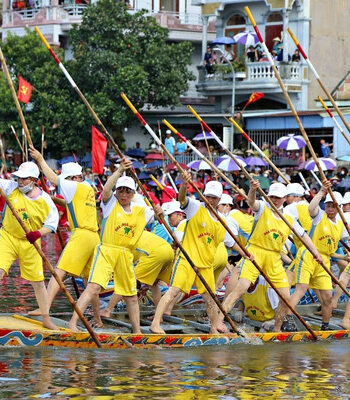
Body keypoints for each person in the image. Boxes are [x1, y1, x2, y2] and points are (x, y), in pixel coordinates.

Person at [216, 181, 322, 333]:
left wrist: (316, 253)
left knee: (285, 296)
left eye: (278, 197)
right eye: (272, 196)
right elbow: (251, 202)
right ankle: (220, 320)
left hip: (274, 258)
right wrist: (252, 190)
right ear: (268, 196)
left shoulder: (289, 217)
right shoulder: (262, 208)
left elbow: (304, 236)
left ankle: (277, 328)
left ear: (285, 198)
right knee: (242, 287)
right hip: (255, 253)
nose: (275, 200)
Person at [68, 161, 156, 333]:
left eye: (127, 191)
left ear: (133, 194)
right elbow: (107, 189)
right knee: (93, 287)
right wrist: (120, 171)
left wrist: (159, 211)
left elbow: (159, 213)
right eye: (121, 190)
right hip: (107, 251)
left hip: (126, 255)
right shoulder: (109, 204)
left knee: (131, 296)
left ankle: (137, 331)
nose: (123, 194)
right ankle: (73, 322)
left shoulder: (141, 211)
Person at [150, 175, 243, 334]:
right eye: (207, 196)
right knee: (173, 291)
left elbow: (231, 243)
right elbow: (181, 199)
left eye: (214, 198)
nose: (210, 200)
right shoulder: (195, 207)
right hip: (187, 259)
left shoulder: (222, 222)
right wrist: (185, 184)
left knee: (211, 299)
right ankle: (155, 324)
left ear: (219, 199)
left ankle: (213, 329)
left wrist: (246, 254)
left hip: (206, 264)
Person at [28, 147, 100, 317]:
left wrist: (40, 160)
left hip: (81, 235)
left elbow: (53, 178)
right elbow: (68, 204)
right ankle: (98, 319)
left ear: (72, 178)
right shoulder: (87, 188)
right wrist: (47, 197)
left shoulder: (74, 185)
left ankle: (44, 308)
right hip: (93, 237)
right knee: (90, 282)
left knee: (58, 272)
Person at [0, 161, 59, 329]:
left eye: (24, 179)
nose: (20, 182)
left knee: (38, 282)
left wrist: (38, 233)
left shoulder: (46, 200)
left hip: (31, 242)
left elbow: (52, 224)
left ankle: (46, 318)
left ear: (33, 179)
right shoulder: (11, 187)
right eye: (18, 179)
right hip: (8, 237)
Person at [288, 182, 349, 331]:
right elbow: (311, 208)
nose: (330, 208)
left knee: (328, 297)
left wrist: (344, 258)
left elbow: (330, 252)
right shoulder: (319, 216)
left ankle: (325, 325)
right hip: (308, 255)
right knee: (301, 289)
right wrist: (322, 192)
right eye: (328, 205)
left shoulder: (341, 226)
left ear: (339, 208)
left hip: (324, 261)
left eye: (333, 206)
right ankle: (287, 319)